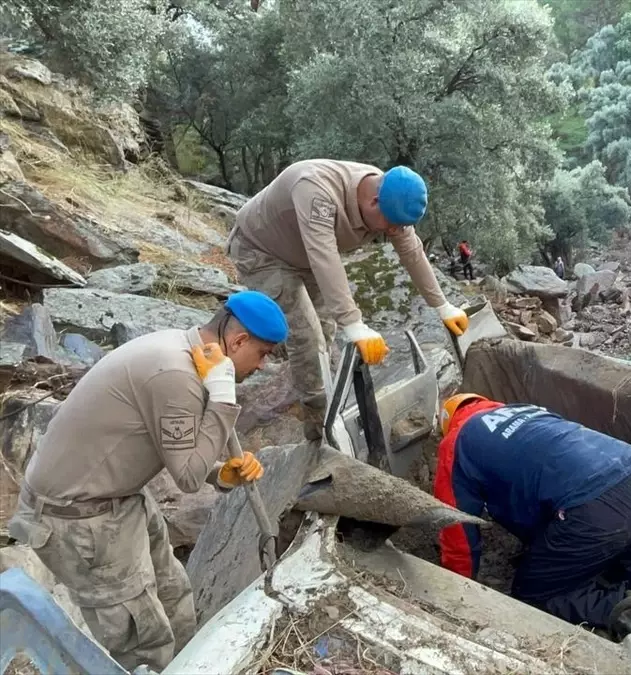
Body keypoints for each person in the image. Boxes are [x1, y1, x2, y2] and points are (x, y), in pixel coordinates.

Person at [6, 291, 287, 672]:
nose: (263, 365)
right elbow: (186, 478)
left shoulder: (185, 350)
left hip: (117, 498)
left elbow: (174, 446)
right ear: (238, 341)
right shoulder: (176, 374)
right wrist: (222, 398)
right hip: (79, 520)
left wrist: (218, 472)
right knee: (142, 642)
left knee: (173, 596)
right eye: (263, 354)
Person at [434, 393, 631, 638]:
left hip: (593, 505)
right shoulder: (527, 412)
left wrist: (459, 592)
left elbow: (455, 527)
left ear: (450, 423)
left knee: (536, 594)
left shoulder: (456, 442)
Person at [227, 160, 469, 439]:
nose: (393, 232)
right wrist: (355, 324)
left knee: (325, 330)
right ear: (374, 201)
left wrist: (443, 306)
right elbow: (324, 256)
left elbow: (412, 253)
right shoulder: (316, 190)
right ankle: (318, 429)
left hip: (303, 257)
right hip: (262, 251)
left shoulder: (393, 200)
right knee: (307, 336)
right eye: (390, 225)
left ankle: (303, 372)